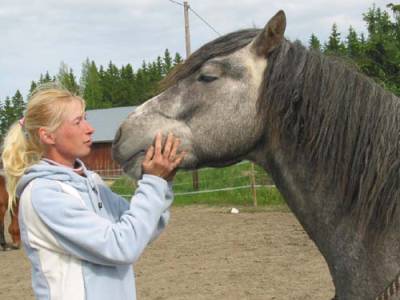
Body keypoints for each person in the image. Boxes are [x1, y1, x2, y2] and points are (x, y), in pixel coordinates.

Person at [1, 86, 185, 300]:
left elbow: (143, 231)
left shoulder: (92, 183)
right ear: (48, 135)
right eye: (78, 122)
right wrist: (153, 182)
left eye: (85, 119)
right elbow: (123, 247)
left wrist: (163, 182)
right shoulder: (44, 194)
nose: (90, 129)